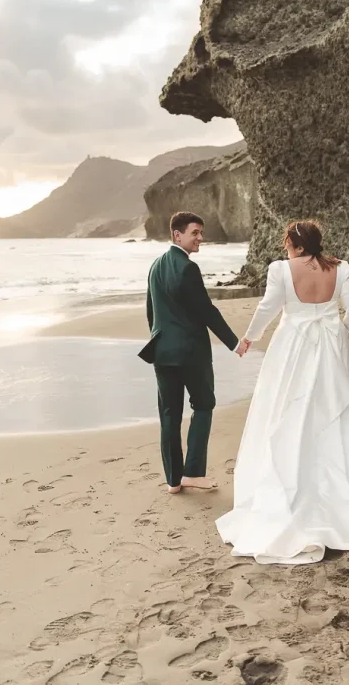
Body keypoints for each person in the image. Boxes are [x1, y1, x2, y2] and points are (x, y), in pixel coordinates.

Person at [216, 219, 349, 564]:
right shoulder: (340, 267)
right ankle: (348, 472)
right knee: (337, 406)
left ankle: (295, 471)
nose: (284, 249)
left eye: (287, 243)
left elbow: (268, 308)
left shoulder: (281, 270)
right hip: (332, 345)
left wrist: (249, 338)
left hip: (294, 347)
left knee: (290, 406)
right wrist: (344, 331)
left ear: (299, 247)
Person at [140, 211, 249, 494]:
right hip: (190, 352)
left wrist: (160, 338)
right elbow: (206, 311)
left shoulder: (155, 266)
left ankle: (173, 481)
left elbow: (152, 312)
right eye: (195, 233)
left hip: (162, 351)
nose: (201, 238)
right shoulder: (187, 268)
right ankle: (193, 473)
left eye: (201, 232)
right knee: (203, 405)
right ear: (178, 235)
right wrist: (234, 343)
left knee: (169, 414)